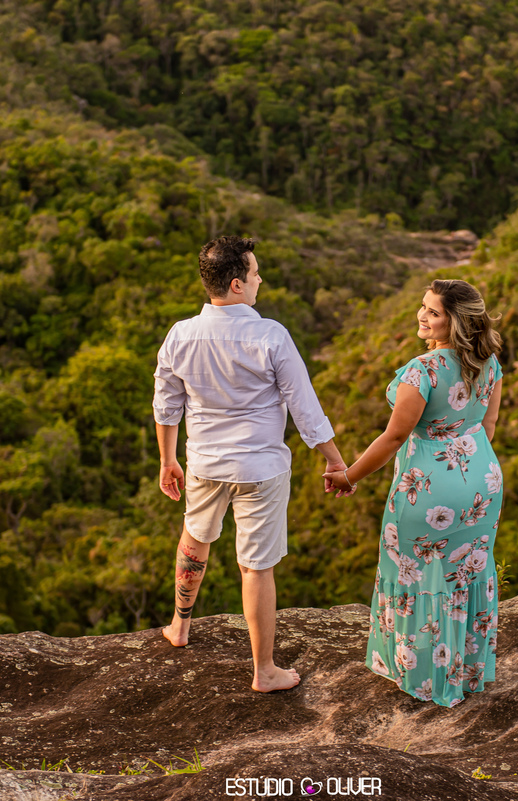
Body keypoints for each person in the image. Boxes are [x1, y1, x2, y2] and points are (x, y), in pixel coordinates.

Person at [153, 235, 352, 693]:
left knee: (195, 539)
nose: (261, 280)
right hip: (260, 469)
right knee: (256, 567)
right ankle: (264, 671)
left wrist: (167, 461)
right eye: (257, 273)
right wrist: (336, 464)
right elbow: (305, 409)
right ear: (238, 284)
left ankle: (179, 628)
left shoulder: (181, 334)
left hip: (204, 462)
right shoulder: (270, 335)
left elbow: (167, 407)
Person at [324, 279, 504, 707]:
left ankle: (424, 678)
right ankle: (465, 673)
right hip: (482, 478)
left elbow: (393, 438)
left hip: (427, 489)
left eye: (434, 312)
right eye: (423, 307)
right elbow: (489, 426)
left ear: (455, 322)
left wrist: (349, 476)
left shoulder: (421, 372)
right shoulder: (490, 363)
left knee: (415, 575)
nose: (422, 317)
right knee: (465, 575)